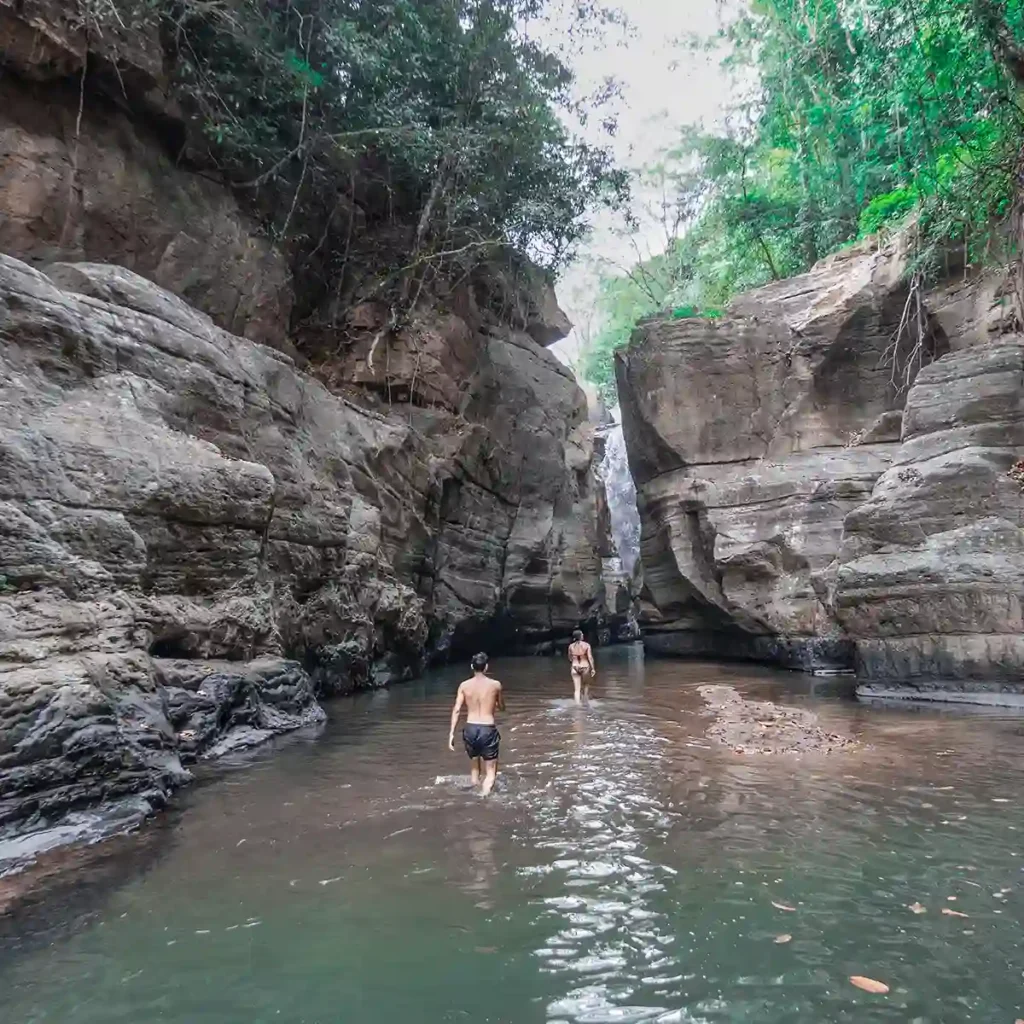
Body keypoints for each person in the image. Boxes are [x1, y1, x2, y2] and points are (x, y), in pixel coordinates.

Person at [448, 652, 504, 796]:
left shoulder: (464, 686)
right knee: (491, 772)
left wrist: (451, 734)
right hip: (487, 728)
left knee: (474, 768)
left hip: (470, 729)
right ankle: (483, 796)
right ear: (486, 667)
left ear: (472, 666)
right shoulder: (495, 685)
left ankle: (475, 792)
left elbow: (456, 710)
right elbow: (502, 707)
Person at [568, 629, 595, 704]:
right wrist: (593, 669)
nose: (583, 635)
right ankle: (585, 702)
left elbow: (570, 658)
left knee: (577, 689)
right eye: (582, 634)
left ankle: (577, 706)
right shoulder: (586, 645)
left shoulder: (571, 646)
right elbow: (590, 657)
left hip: (574, 667)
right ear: (580, 636)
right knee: (586, 686)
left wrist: (574, 661)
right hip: (585, 666)